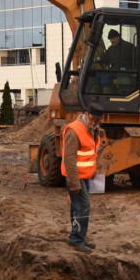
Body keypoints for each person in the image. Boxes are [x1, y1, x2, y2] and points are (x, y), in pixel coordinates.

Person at [61, 102, 103, 252]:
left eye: (97, 121)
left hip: (84, 175)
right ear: (86, 114)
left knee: (77, 207)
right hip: (75, 176)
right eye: (92, 119)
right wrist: (75, 183)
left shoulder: (93, 130)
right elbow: (69, 159)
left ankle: (78, 237)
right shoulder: (74, 130)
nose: (93, 123)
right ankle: (77, 239)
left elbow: (91, 153)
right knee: (83, 206)